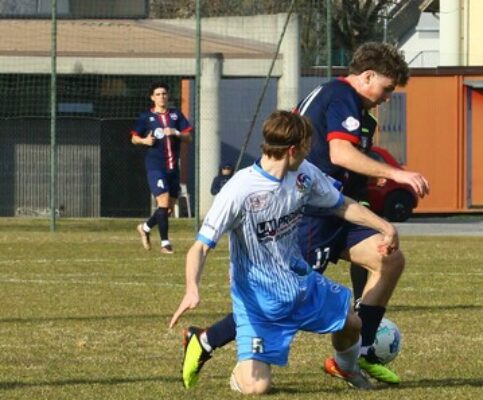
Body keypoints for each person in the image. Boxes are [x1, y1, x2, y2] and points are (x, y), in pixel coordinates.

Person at [174, 42, 429, 386]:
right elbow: (339, 154)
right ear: (368, 76)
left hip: (336, 208)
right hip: (310, 215)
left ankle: (359, 351)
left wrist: (380, 222)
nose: (386, 97)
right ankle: (205, 339)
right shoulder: (342, 97)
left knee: (388, 261)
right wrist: (398, 173)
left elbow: (341, 178)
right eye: (385, 89)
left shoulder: (347, 103)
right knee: (283, 297)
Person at [169, 111, 400, 393]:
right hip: (259, 301)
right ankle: (240, 373)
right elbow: (200, 247)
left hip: (301, 283)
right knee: (257, 388)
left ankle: (347, 368)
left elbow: (339, 204)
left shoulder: (303, 174)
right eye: (307, 147)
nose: (310, 152)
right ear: (292, 149)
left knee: (352, 324)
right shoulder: (239, 190)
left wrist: (384, 226)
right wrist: (191, 288)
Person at [131, 82, 192, 254]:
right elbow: (134, 138)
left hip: (173, 167)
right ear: (152, 98)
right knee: (163, 202)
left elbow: (189, 138)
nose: (161, 96)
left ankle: (145, 227)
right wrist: (144, 141)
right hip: (155, 166)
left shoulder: (176, 115)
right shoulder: (146, 117)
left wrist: (176, 133)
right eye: (158, 94)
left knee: (168, 209)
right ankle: (165, 243)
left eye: (164, 93)